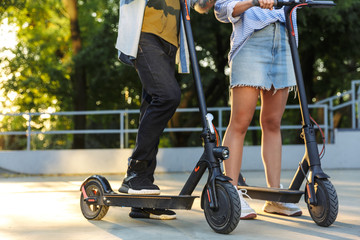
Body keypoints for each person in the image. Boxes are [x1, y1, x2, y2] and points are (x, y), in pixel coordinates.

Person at [115, 0, 214, 220]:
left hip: (171, 41)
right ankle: (135, 171)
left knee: (152, 104)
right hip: (145, 33)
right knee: (167, 96)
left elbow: (198, 5)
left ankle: (142, 194)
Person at [214, 0, 302, 219]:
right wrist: (254, 1)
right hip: (252, 41)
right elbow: (222, 9)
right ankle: (231, 193)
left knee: (272, 122)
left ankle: (275, 196)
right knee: (241, 121)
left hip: (284, 40)